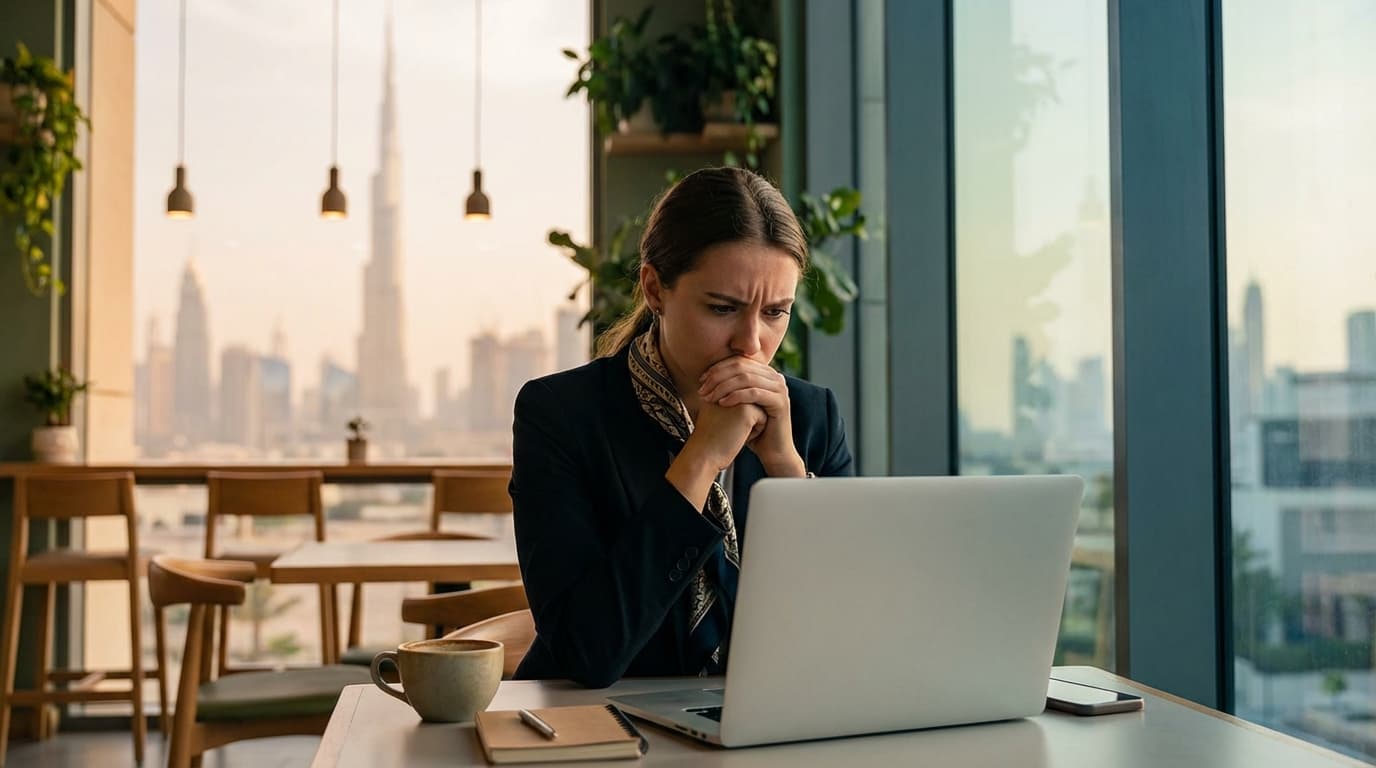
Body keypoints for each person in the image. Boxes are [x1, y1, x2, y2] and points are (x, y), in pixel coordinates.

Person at [509, 167, 853, 688]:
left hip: (758, 717)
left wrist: (786, 468)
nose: (751, 343)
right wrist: (701, 459)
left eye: (775, 313)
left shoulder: (810, 418)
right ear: (655, 289)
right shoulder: (561, 415)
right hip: (595, 718)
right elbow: (588, 652)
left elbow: (846, 626)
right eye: (722, 308)